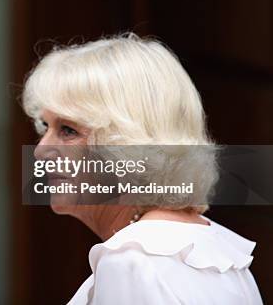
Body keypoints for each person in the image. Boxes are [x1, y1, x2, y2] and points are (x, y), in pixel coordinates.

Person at [22, 34, 263, 304]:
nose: (41, 149)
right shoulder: (215, 247)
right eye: (45, 126)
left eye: (68, 130)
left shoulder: (131, 261)